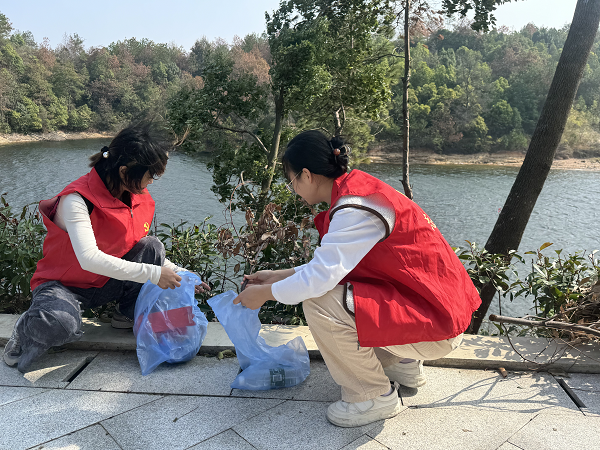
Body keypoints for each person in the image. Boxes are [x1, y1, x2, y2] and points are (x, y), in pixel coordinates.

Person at [235, 130, 481, 428]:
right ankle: (403, 364)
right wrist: (276, 277)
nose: (294, 190)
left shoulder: (355, 208)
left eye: (292, 181)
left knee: (319, 301)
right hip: (434, 311)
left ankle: (372, 397)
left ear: (307, 175)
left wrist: (264, 294)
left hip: (436, 326)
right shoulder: (361, 192)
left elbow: (318, 281)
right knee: (338, 292)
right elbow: (331, 268)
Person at [3, 121, 209, 373]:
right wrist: (155, 274)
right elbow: (89, 258)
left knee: (152, 246)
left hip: (106, 283)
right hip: (63, 286)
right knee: (60, 324)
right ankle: (26, 328)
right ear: (124, 171)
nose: (152, 182)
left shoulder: (137, 197)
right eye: (150, 175)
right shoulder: (77, 200)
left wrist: (181, 274)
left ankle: (125, 315)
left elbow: (141, 250)